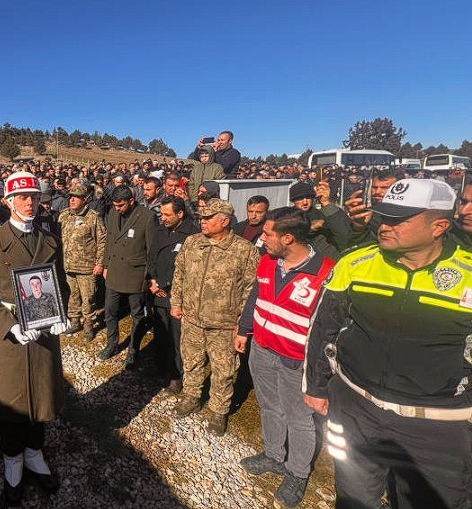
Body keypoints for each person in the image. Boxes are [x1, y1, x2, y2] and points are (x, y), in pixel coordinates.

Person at [304, 179, 470, 509]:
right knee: (353, 497)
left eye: (398, 219)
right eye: (383, 216)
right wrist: (317, 387)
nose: (384, 225)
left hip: (439, 425)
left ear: (438, 226)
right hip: (356, 409)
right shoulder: (355, 264)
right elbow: (323, 328)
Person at [0, 171, 69, 506]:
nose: (30, 203)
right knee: (11, 402)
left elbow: (60, 285)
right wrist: (10, 324)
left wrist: (61, 314)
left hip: (42, 330)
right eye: (22, 197)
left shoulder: (51, 239)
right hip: (9, 335)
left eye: (35, 197)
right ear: (8, 201)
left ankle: (35, 454)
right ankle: (12, 460)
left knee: (40, 396)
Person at [235, 207, 335, 508]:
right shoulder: (267, 261)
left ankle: (297, 473)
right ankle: (274, 456)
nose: (262, 238)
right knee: (269, 405)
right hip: (263, 349)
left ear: (288, 238)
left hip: (297, 361)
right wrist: (244, 329)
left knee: (300, 419)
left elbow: (329, 328)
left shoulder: (327, 272)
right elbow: (256, 295)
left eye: (267, 234)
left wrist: (318, 373)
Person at [170, 198, 259, 434]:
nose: (203, 222)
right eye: (202, 218)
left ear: (225, 221)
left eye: (208, 219)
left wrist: (242, 324)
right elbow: (179, 274)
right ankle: (192, 395)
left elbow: (251, 290)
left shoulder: (244, 250)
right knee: (192, 361)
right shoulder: (192, 243)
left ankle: (219, 410)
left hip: (224, 324)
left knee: (224, 369)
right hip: (191, 319)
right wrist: (176, 302)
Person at [99, 185, 157, 368]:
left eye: (121, 205)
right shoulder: (114, 214)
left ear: (131, 201)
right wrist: (106, 264)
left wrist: (149, 276)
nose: (117, 209)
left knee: (137, 314)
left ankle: (133, 350)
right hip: (115, 271)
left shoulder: (147, 217)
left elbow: (151, 250)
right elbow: (109, 241)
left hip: (135, 273)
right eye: (115, 205)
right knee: (110, 310)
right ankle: (112, 343)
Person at [146, 196, 200, 394]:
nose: (163, 218)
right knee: (161, 333)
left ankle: (176, 376)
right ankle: (160, 367)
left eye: (168, 215)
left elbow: (189, 268)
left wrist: (165, 283)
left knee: (177, 338)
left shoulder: (193, 234)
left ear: (180, 214)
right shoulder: (161, 230)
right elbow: (151, 256)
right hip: (157, 291)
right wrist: (152, 280)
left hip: (178, 295)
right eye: (162, 214)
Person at [57, 184, 106, 339]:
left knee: (88, 298)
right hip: (68, 265)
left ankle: (89, 326)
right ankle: (75, 322)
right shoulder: (64, 215)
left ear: (84, 199)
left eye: (76, 197)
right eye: (70, 196)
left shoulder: (93, 217)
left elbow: (102, 241)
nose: (72, 199)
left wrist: (100, 263)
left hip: (86, 267)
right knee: (73, 295)